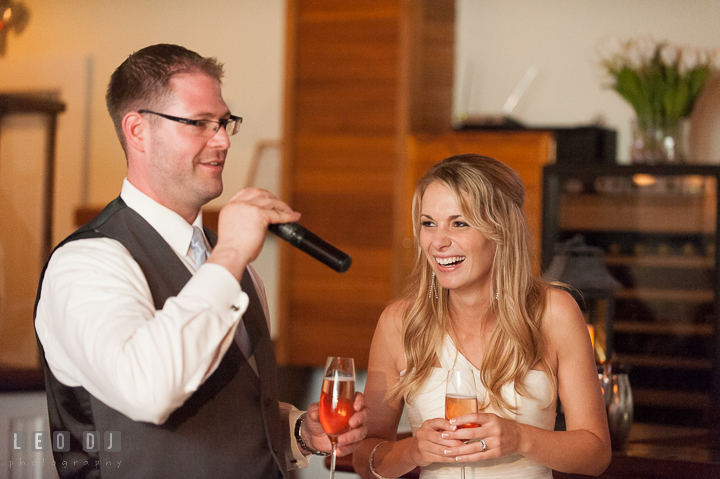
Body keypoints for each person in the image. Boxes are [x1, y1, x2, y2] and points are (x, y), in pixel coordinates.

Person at [34, 43, 367, 479]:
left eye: (225, 122)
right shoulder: (86, 263)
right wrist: (230, 254)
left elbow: (232, 413)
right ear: (137, 130)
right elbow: (149, 390)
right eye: (199, 124)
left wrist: (302, 433)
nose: (223, 140)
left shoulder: (228, 263)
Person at [352, 154, 611, 478]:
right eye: (428, 223)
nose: (438, 241)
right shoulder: (400, 322)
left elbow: (596, 453)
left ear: (502, 229)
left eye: (459, 223)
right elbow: (364, 459)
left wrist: (520, 438)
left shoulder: (553, 313)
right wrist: (413, 450)